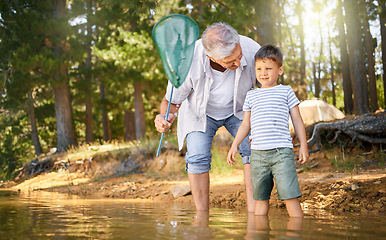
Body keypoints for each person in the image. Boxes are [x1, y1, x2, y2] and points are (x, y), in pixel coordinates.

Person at [154, 22, 261, 212]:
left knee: (253, 149)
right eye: (230, 61)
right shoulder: (187, 62)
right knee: (196, 156)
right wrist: (165, 117)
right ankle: (202, 217)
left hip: (240, 110)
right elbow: (170, 102)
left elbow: (269, 83)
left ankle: (256, 213)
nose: (238, 62)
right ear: (210, 56)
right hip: (199, 113)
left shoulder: (252, 50)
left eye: (239, 55)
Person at [227, 44, 309, 217]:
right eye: (259, 68)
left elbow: (297, 120)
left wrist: (303, 145)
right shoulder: (251, 95)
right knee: (260, 198)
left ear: (280, 70)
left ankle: (297, 231)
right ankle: (259, 232)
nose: (263, 73)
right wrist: (234, 145)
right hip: (258, 155)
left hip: (282, 153)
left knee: (290, 196)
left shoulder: (286, 91)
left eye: (268, 68)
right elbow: (245, 125)